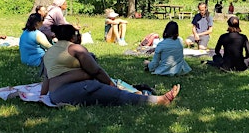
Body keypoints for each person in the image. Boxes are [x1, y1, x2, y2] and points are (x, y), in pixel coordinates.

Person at [41, 24, 180, 106]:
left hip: (55, 95)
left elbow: (46, 80)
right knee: (118, 95)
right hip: (75, 90)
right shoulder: (75, 49)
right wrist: (111, 86)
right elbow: (96, 71)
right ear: (72, 37)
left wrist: (42, 96)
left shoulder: (49, 52)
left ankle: (146, 95)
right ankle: (158, 100)